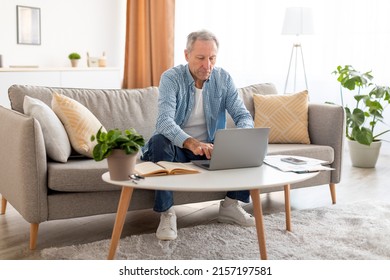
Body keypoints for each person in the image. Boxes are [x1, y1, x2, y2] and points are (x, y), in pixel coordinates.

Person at [141, 30, 255, 241]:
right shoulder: (171, 78)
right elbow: (164, 122)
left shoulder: (223, 78)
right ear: (186, 55)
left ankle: (231, 205)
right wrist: (191, 143)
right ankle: (167, 213)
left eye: (212, 58)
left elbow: (242, 115)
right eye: (201, 58)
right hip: (179, 149)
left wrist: (242, 135)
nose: (207, 65)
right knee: (158, 141)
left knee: (244, 141)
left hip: (211, 149)